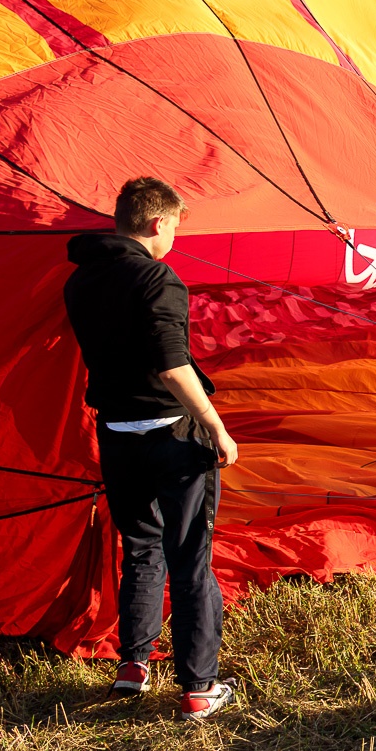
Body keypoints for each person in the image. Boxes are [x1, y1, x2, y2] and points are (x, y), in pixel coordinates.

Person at [63, 177, 240, 721]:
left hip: (116, 434)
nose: (175, 238)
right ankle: (199, 687)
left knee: (140, 548)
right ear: (158, 222)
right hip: (172, 437)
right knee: (190, 560)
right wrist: (214, 424)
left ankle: (133, 665)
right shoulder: (156, 276)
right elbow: (171, 364)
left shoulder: (81, 280)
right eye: (176, 227)